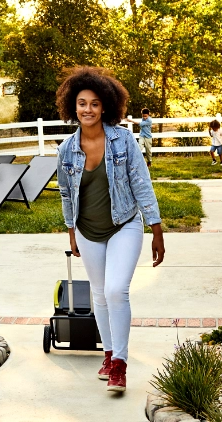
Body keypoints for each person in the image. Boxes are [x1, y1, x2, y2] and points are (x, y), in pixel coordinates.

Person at [55, 66, 165, 394]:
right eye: (81, 103)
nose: (87, 109)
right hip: (88, 231)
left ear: (106, 107)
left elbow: (141, 182)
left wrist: (155, 228)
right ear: (72, 107)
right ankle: (106, 354)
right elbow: (66, 194)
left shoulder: (122, 139)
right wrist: (71, 230)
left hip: (124, 223)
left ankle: (120, 362)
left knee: (117, 290)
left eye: (94, 104)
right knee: (100, 294)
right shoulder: (65, 150)